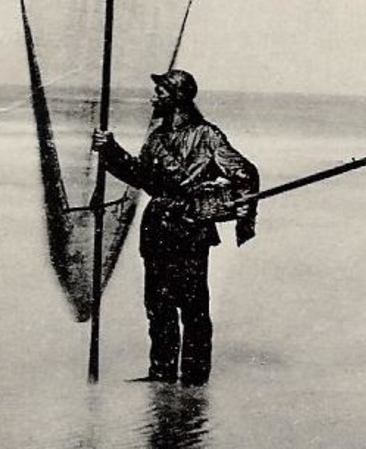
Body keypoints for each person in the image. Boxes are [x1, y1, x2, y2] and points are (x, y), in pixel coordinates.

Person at [92, 69, 258, 386]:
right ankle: (162, 375)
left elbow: (245, 174)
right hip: (157, 231)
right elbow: (142, 178)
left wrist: (232, 208)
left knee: (193, 308)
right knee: (158, 307)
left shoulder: (208, 135)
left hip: (191, 228)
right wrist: (110, 149)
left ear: (178, 98)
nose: (154, 98)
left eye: (161, 93)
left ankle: (194, 381)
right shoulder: (156, 140)